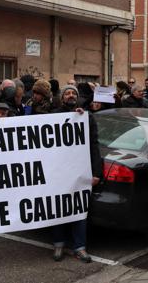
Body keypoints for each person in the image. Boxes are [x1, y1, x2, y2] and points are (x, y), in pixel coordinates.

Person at [51, 85, 102, 263]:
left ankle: (79, 247)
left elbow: (94, 145)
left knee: (79, 209)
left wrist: (97, 172)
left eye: (74, 93)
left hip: (80, 170)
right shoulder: (53, 115)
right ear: (62, 97)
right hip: (58, 172)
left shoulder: (86, 118)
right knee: (58, 209)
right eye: (67, 93)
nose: (71, 95)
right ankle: (59, 244)